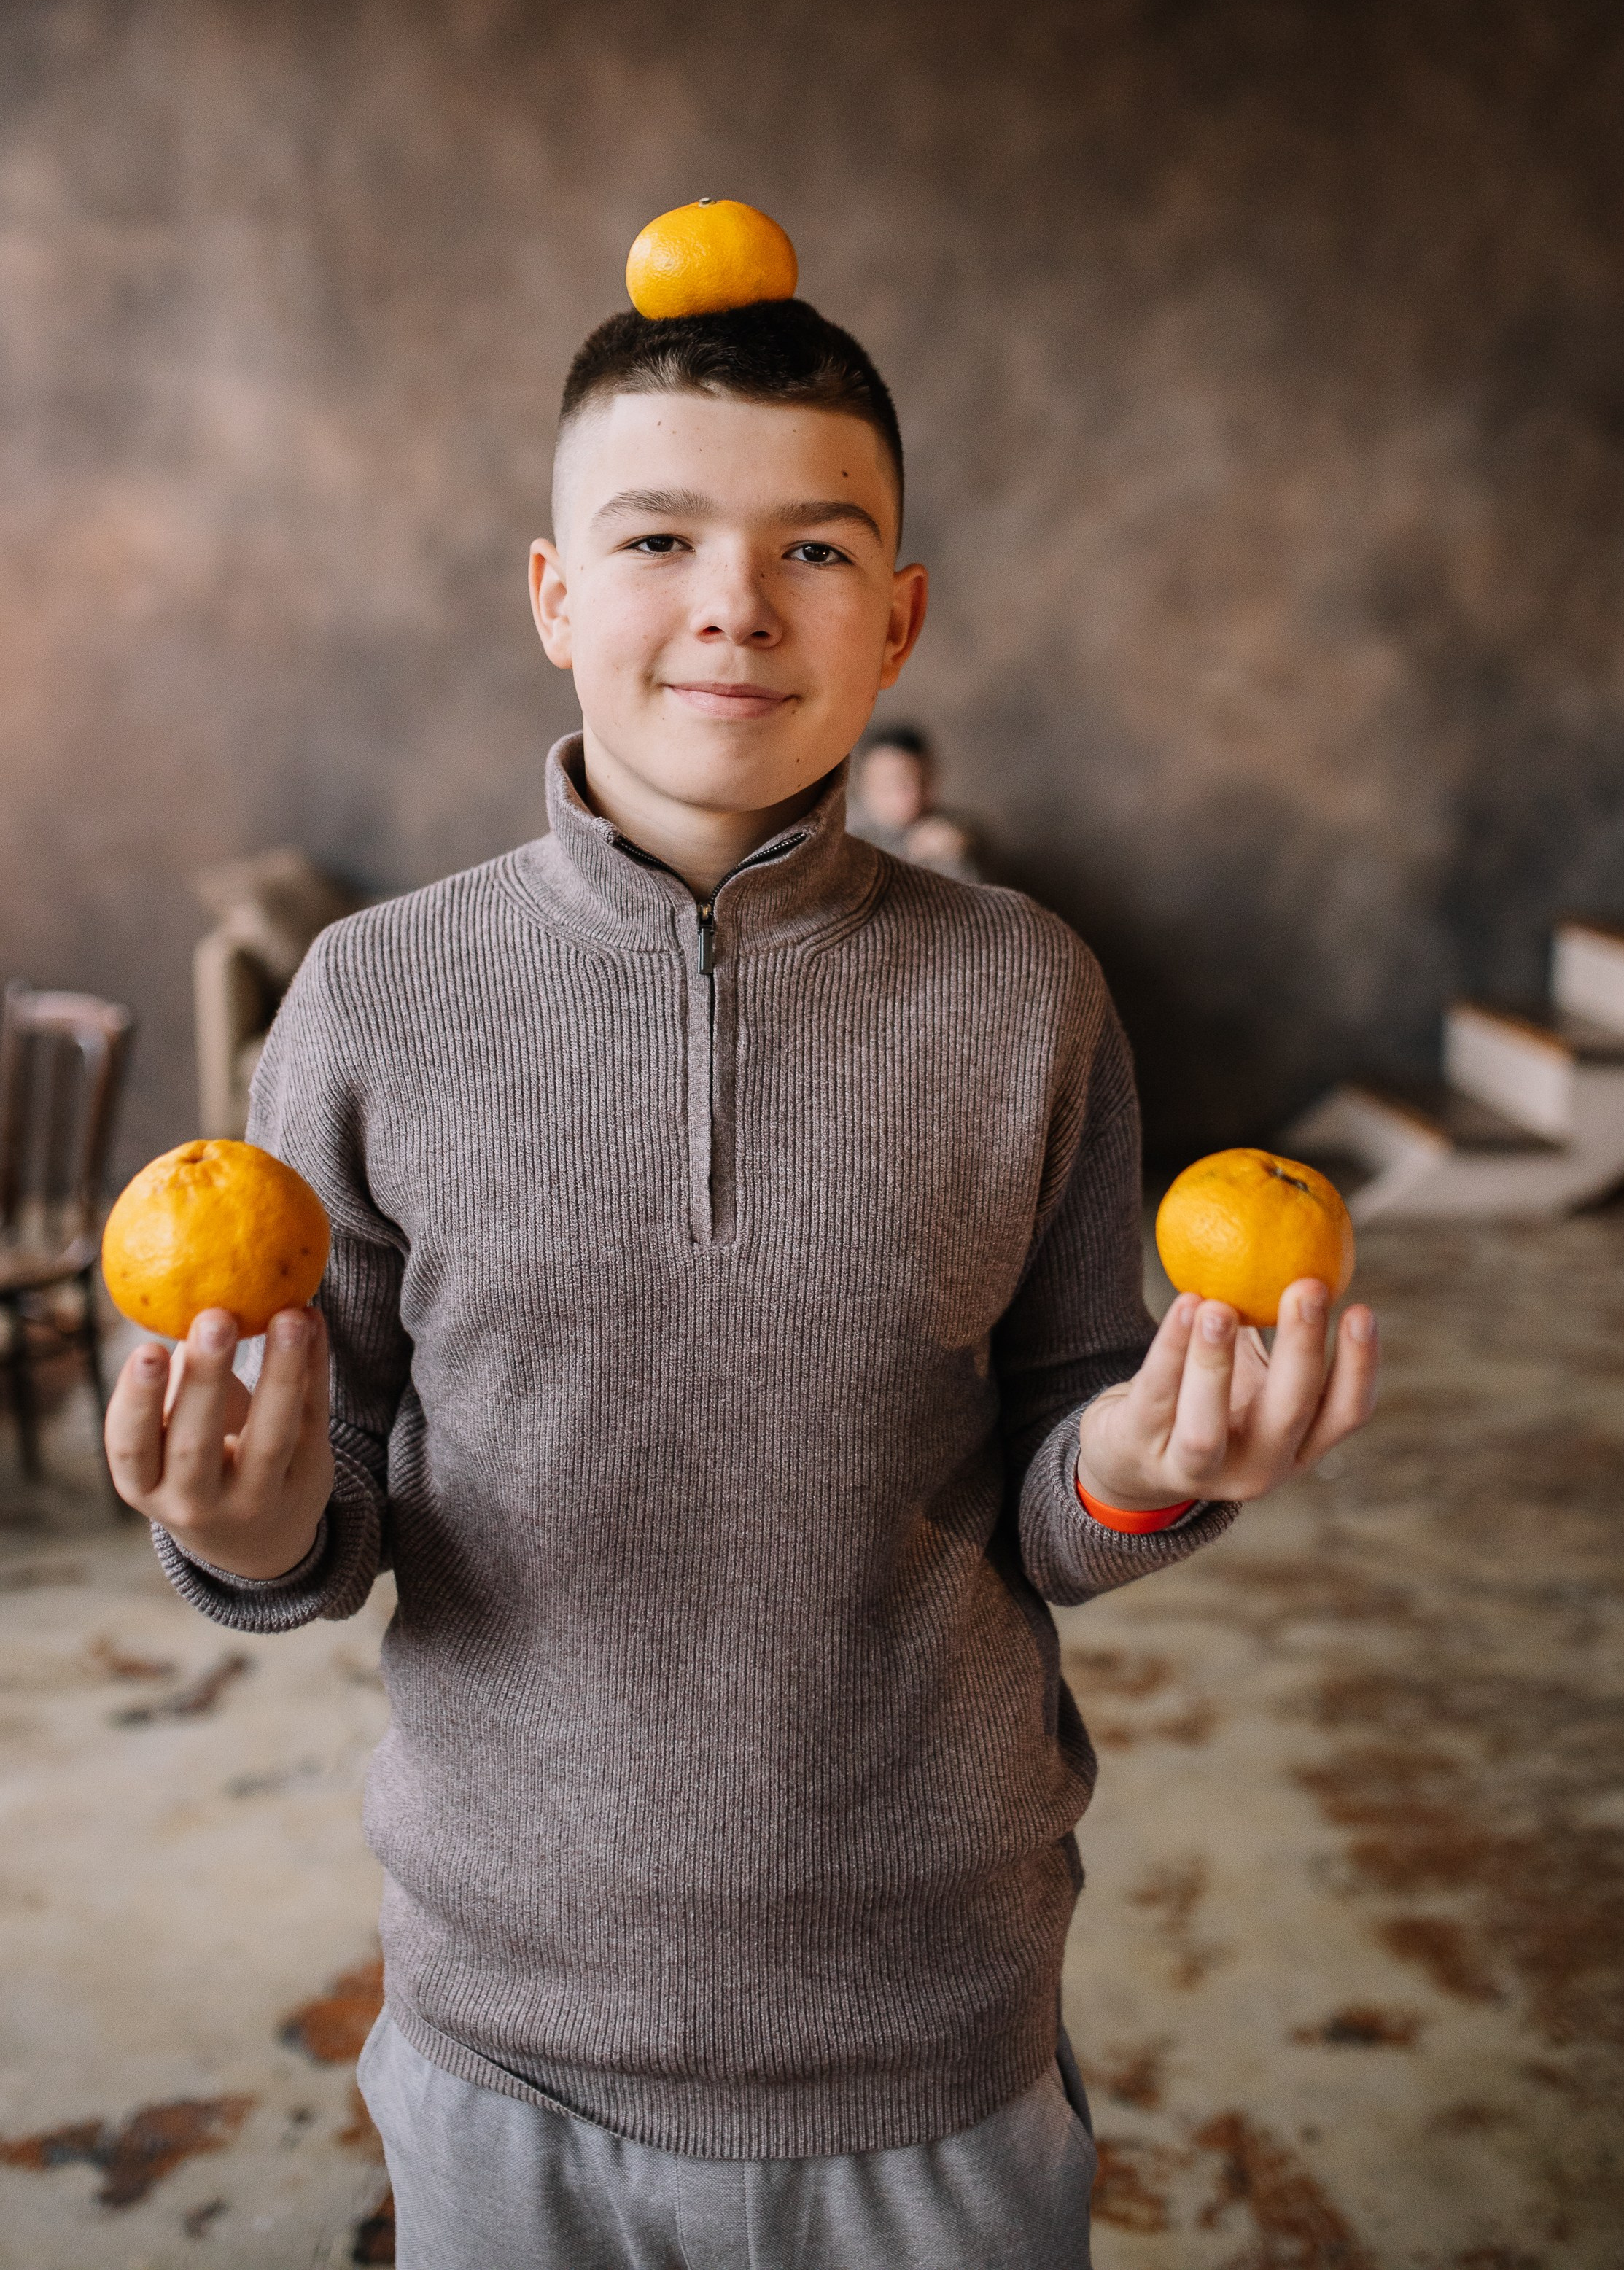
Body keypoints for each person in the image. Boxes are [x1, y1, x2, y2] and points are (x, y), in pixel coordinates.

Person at [104, 268, 1380, 2270]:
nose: (734, 603)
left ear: (900, 613)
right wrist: (254, 1521)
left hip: (925, 2039)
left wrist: (1151, 1452)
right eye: (657, 539)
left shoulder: (1025, 991)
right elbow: (322, 1502)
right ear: (549, 593)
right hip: (501, 2045)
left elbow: (1062, 1478)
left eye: (813, 546)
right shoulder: (369, 1000)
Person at [850, 720, 986, 879]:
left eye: (923, 781)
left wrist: (965, 844)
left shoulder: (956, 829)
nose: (914, 794)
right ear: (863, 782)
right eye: (897, 783)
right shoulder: (840, 836)